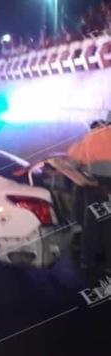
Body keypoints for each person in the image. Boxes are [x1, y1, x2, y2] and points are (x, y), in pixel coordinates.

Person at [68, 115, 111, 280]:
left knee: (91, 221)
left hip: (94, 184)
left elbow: (76, 159)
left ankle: (87, 260)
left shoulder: (92, 136)